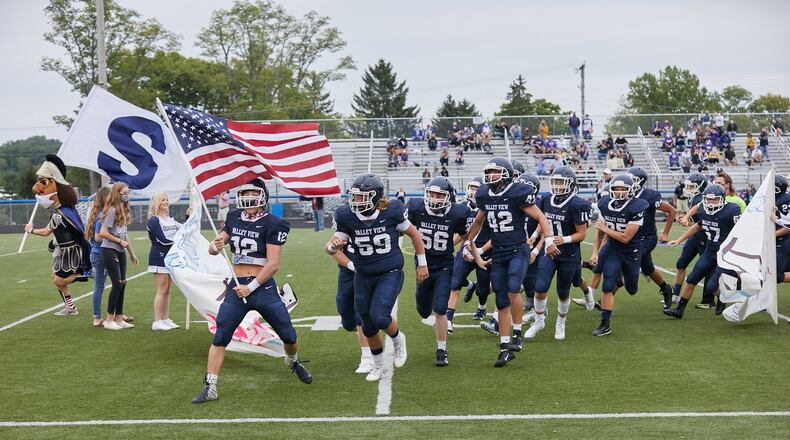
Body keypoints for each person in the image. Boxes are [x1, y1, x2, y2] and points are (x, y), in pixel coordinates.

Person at [192, 178, 312, 403]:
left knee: (289, 335)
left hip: (262, 287)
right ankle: (211, 386)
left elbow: (273, 263)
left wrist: (252, 287)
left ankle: (292, 360)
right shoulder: (234, 217)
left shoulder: (273, 223)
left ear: (262, 197)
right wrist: (213, 246)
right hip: (237, 285)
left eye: (253, 193)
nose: (248, 197)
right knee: (221, 335)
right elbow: (215, 246)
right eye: (245, 193)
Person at [329, 173, 427, 381]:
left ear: (375, 197)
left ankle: (399, 339)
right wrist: (333, 246)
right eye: (354, 196)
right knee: (367, 324)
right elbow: (331, 248)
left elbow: (415, 235)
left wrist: (422, 264)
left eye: (361, 197)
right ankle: (378, 364)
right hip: (362, 274)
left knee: (380, 316)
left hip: (388, 272)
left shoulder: (392, 212)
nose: (356, 201)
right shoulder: (347, 216)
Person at [466, 157, 557, 366]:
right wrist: (470, 247)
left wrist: (549, 240)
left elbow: (542, 218)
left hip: (518, 249)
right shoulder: (485, 195)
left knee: (513, 289)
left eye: (494, 172)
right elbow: (478, 222)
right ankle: (505, 347)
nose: (490, 176)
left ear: (505, 173)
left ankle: (517, 333)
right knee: (500, 299)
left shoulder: (518, 192)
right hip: (499, 251)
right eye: (488, 172)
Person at [406, 177, 470, 366]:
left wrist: (465, 248)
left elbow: (466, 235)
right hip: (422, 264)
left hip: (444, 264)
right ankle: (424, 302)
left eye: (440, 195)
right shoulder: (416, 208)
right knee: (424, 311)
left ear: (449, 197)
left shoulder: (458, 213)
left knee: (441, 308)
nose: (434, 198)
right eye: (432, 194)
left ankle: (442, 350)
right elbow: (403, 229)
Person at [528, 167, 591, 340]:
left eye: (561, 182)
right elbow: (543, 221)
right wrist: (534, 236)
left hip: (569, 254)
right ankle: (539, 321)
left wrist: (564, 239)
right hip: (549, 251)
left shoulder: (578, 204)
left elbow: (582, 234)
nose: (557, 185)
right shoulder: (547, 199)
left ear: (570, 184)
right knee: (540, 287)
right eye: (555, 181)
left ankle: (560, 322)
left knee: (563, 292)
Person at [26, 154, 92, 317]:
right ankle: (70, 307)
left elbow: (46, 231)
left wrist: (31, 230)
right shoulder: (63, 211)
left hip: (71, 252)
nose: (37, 188)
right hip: (63, 251)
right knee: (55, 279)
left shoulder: (59, 214)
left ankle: (85, 273)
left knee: (58, 280)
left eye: (44, 183)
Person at [665, 184, 741, 318]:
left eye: (714, 199)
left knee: (712, 287)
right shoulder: (702, 210)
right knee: (692, 278)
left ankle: (723, 299)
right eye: (708, 199)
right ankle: (679, 310)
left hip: (726, 254)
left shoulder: (731, 210)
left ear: (722, 199)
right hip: (710, 251)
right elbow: (697, 226)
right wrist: (679, 239)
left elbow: (741, 231)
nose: (710, 203)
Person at [590, 174, 648, 336]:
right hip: (613, 250)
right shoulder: (605, 204)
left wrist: (606, 229)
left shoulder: (637, 207)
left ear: (630, 190)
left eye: (623, 189)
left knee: (632, 288)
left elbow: (625, 237)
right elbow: (600, 233)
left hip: (631, 252)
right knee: (608, 285)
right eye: (616, 189)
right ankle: (605, 324)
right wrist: (595, 251)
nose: (620, 192)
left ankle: (622, 279)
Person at [324, 226, 373, 374]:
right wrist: (351, 265)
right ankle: (373, 331)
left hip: (369, 270)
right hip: (348, 270)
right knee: (347, 318)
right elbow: (330, 249)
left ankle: (367, 356)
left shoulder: (377, 220)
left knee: (361, 313)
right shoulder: (347, 218)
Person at [627, 167, 677, 309]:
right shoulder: (625, 193)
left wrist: (666, 233)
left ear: (640, 182)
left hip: (647, 238)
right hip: (631, 237)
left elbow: (671, 210)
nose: (629, 182)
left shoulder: (649, 195)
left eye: (633, 179)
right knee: (648, 268)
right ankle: (667, 289)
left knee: (628, 264)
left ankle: (606, 298)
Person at [447, 177, 491, 329]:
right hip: (465, 251)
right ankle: (448, 321)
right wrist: (449, 245)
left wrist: (480, 250)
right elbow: (461, 232)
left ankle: (482, 306)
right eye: (471, 187)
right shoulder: (462, 207)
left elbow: (495, 235)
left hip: (483, 251)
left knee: (483, 289)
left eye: (476, 188)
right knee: (454, 283)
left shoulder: (490, 207)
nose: (472, 191)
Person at [99, 182, 140, 330]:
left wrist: (132, 253)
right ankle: (109, 320)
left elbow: (125, 234)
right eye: (124, 193)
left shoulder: (123, 210)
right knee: (117, 283)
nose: (127, 195)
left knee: (123, 283)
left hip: (120, 251)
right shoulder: (111, 211)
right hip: (109, 250)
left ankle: (119, 317)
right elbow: (103, 233)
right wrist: (119, 241)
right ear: (118, 194)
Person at [147, 192, 182, 331]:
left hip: (170, 257)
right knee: (161, 289)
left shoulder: (169, 219)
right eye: (163, 200)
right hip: (159, 256)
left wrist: (189, 216)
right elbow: (162, 239)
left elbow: (183, 229)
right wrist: (178, 244)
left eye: (167, 199)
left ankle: (166, 319)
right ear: (157, 202)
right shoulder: (154, 220)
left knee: (167, 290)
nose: (166, 202)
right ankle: (157, 321)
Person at [672, 173, 709, 306]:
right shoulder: (692, 198)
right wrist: (685, 217)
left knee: (706, 270)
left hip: (706, 239)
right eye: (688, 186)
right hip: (695, 238)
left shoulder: (703, 199)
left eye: (692, 186)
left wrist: (688, 222)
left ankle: (710, 300)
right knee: (681, 264)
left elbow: (706, 225)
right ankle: (675, 294)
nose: (688, 189)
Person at [84, 186, 111, 327]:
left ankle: (114, 315)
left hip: (97, 253)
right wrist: (115, 237)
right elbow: (98, 237)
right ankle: (98, 317)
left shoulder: (97, 214)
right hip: (101, 253)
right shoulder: (102, 216)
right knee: (100, 286)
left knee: (113, 284)